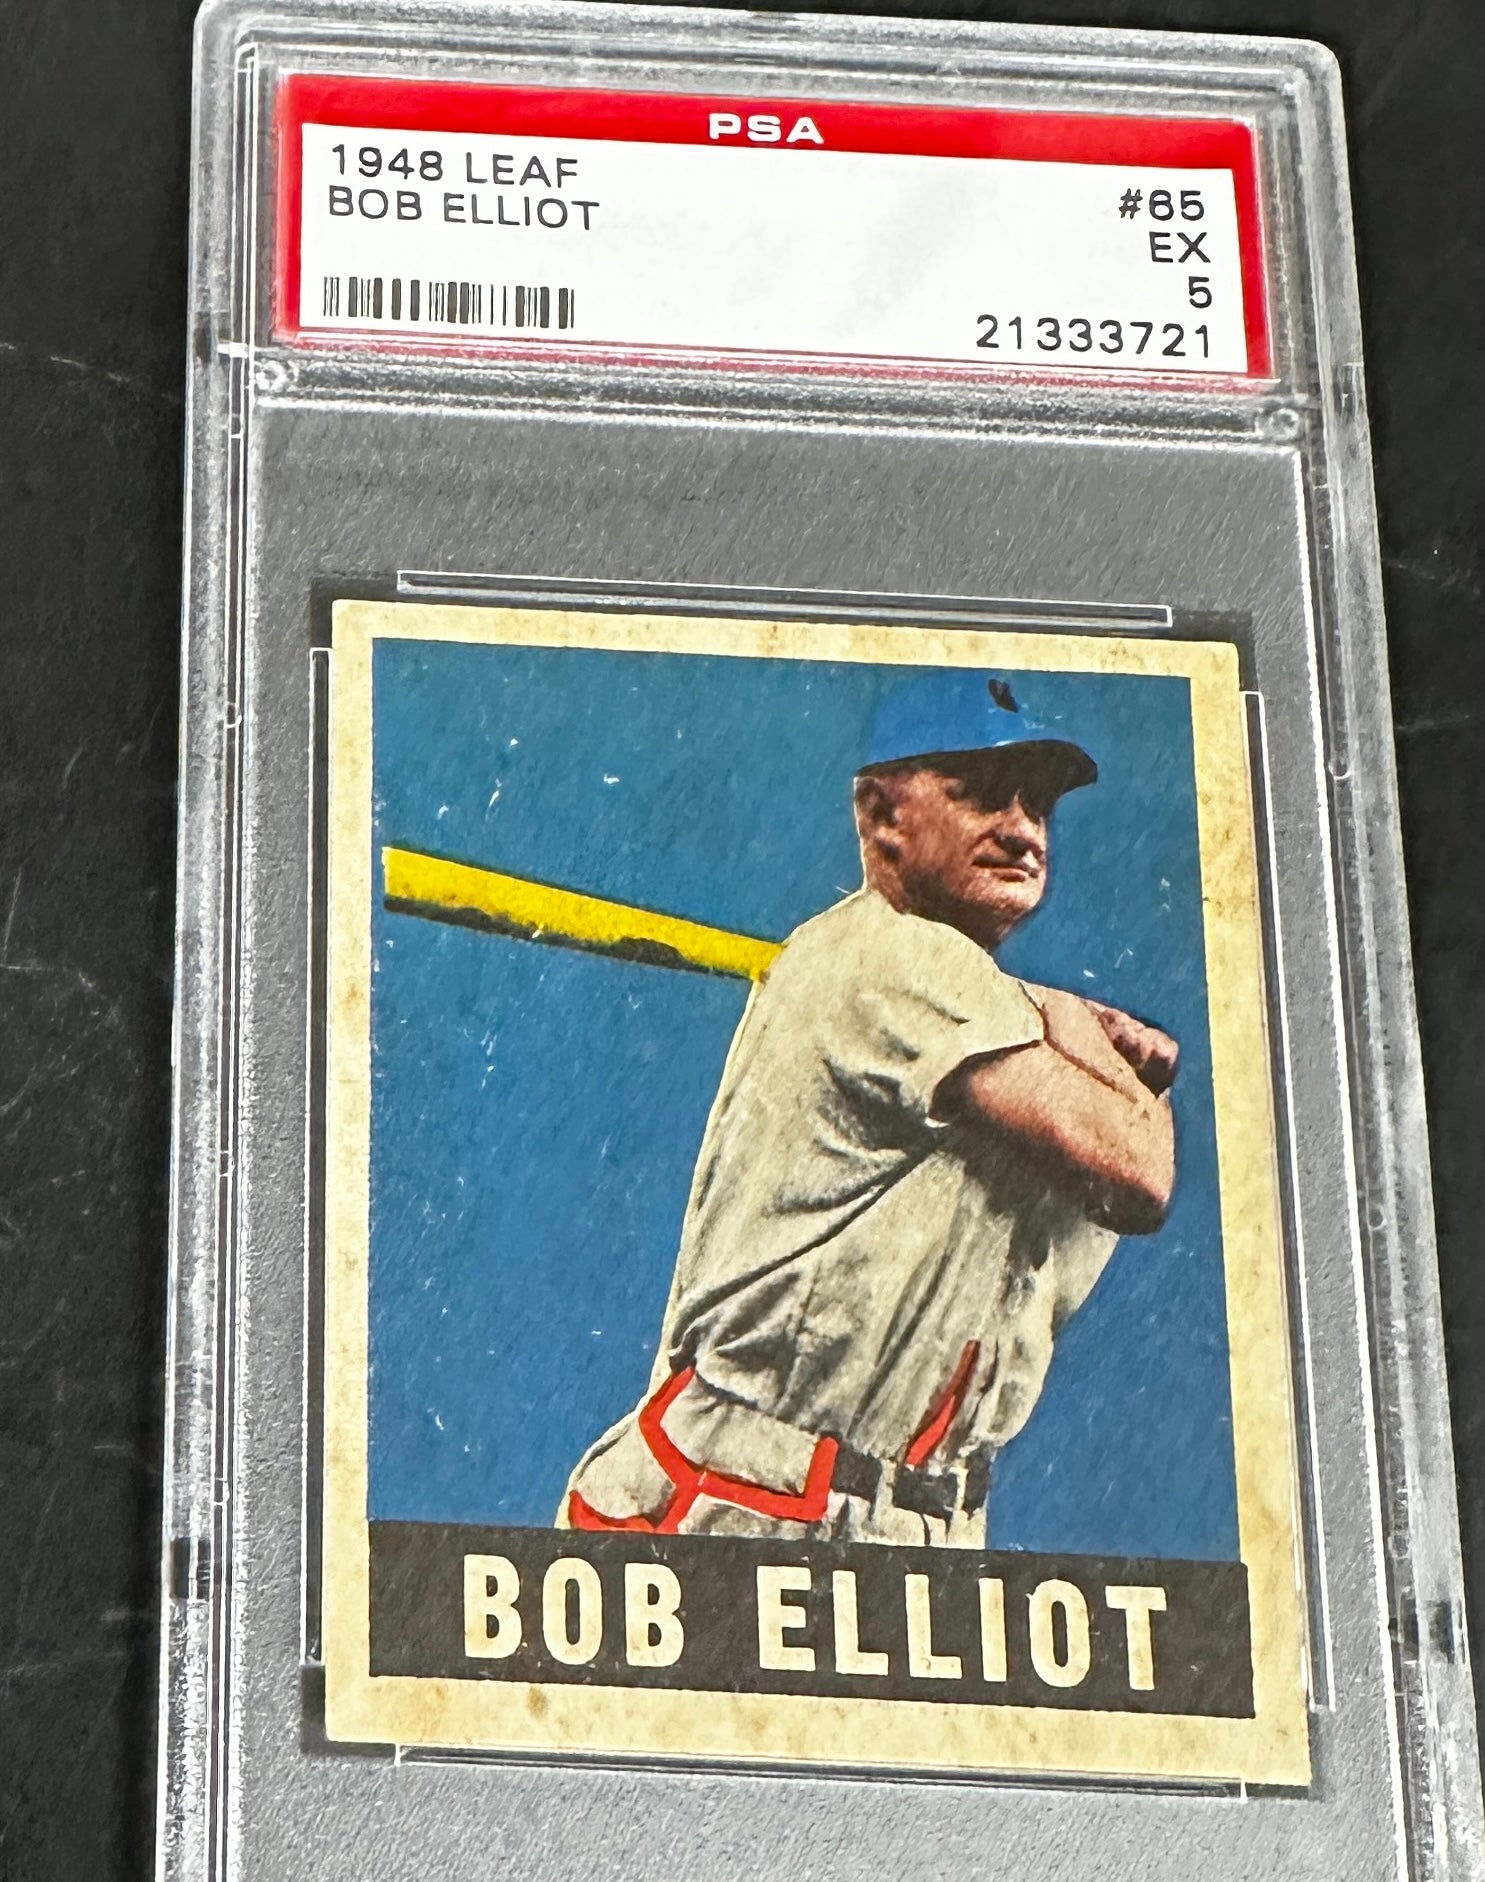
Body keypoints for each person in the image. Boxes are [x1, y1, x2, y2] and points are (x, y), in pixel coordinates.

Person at [558, 672, 1178, 1547]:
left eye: (1036, 805)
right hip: (746, 1498)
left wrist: (1059, 1029)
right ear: (883, 814)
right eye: (979, 793)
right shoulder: (892, 953)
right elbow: (1140, 1171)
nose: (1020, 829)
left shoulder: (977, 1006)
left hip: (906, 1518)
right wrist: (1088, 1039)